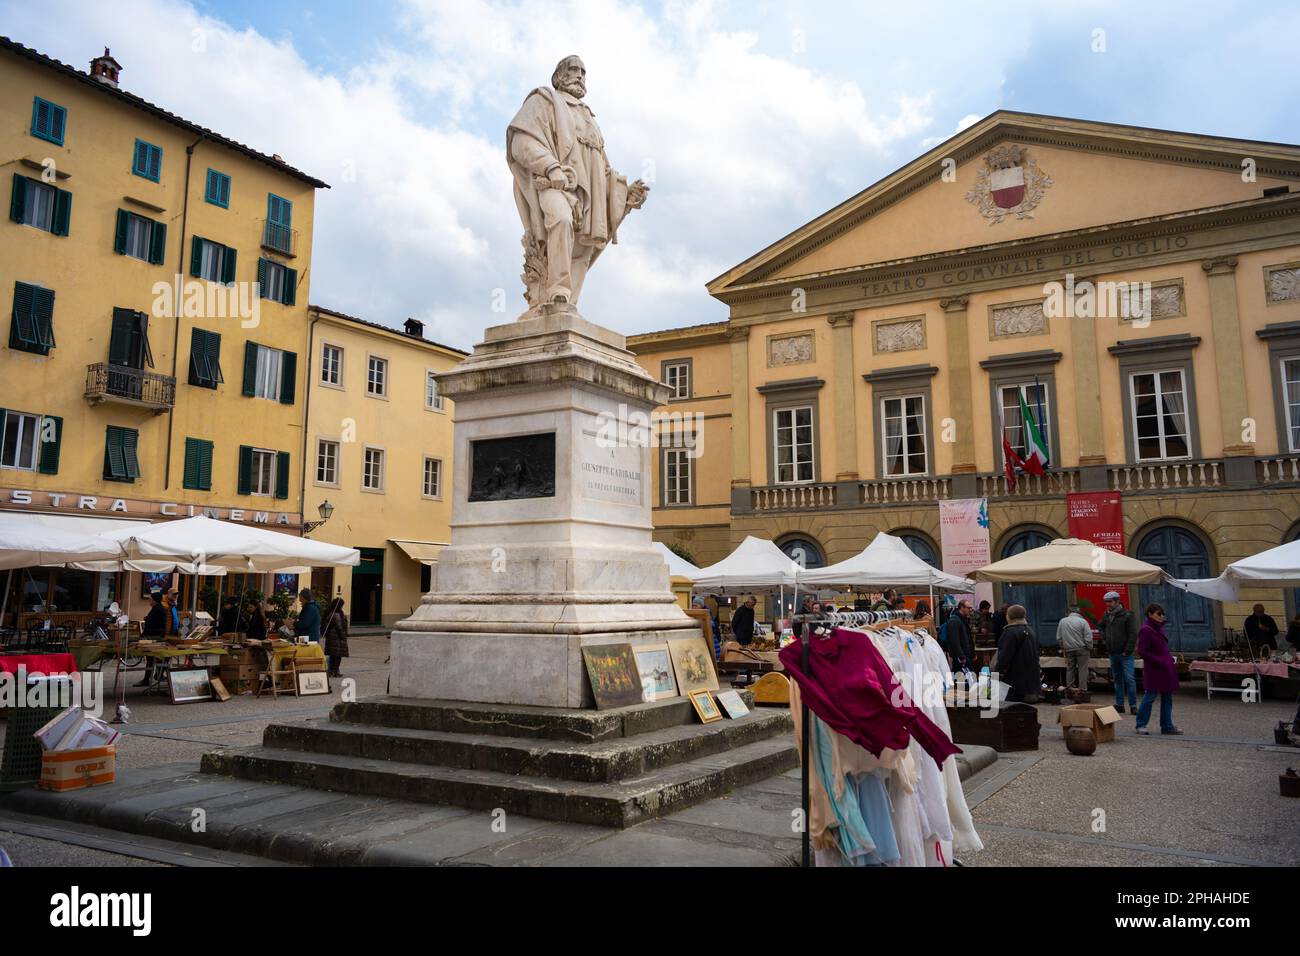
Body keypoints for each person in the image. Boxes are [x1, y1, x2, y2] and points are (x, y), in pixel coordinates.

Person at [1135, 603, 1182, 735]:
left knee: (1167, 697)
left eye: (1162, 614)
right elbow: (1142, 651)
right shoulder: (1146, 629)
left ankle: (1167, 726)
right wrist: (1159, 660)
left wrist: (1169, 658)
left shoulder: (1159, 628)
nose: (1162, 616)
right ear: (1150, 614)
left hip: (1165, 668)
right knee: (1150, 696)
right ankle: (1141, 724)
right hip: (1155, 669)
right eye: (1158, 614)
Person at [1099, 591, 1139, 713]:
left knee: (1129, 679)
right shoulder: (1107, 615)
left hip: (1125, 654)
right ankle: (1119, 704)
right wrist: (1105, 636)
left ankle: (1133, 705)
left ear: (1117, 601)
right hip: (1113, 653)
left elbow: (1133, 634)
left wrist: (1127, 651)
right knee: (1117, 680)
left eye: (1110, 602)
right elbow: (1100, 626)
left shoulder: (1127, 615)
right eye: (1106, 602)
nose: (1108, 604)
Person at [994, 604, 1041, 703]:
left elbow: (1004, 657)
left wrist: (996, 674)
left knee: (1012, 709)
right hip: (1031, 679)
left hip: (1014, 680)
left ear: (1009, 616)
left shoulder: (1010, 632)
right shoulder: (1030, 631)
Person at [1056, 604, 1094, 693]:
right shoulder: (1083, 621)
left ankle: (1070, 688)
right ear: (1078, 612)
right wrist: (1089, 647)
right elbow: (1088, 637)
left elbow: (1059, 637)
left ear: (1069, 612)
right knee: (1083, 669)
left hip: (1068, 649)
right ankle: (1082, 689)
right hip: (1082, 649)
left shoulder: (1062, 621)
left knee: (1070, 668)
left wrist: (1063, 647)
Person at [134, 591, 168, 687]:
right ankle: (158, 675)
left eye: (151, 599)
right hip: (158, 636)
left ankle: (147, 679)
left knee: (150, 658)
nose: (149, 600)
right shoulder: (160, 608)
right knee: (157, 659)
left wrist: (143, 635)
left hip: (154, 637)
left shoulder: (157, 609)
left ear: (154, 600)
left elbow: (150, 625)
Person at [323, 597, 349, 678]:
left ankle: (331, 671)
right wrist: (343, 637)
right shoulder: (336, 615)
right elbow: (339, 627)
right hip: (336, 638)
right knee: (337, 656)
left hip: (332, 638)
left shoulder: (331, 613)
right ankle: (335, 671)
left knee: (333, 655)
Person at [947, 600, 975, 672]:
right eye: (968, 608)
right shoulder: (954, 620)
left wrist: (972, 653)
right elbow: (955, 641)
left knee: (962, 679)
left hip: (964, 655)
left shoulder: (962, 620)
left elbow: (967, 638)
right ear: (962, 608)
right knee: (967, 678)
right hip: (960, 657)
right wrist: (961, 656)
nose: (970, 610)